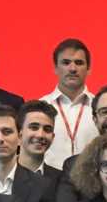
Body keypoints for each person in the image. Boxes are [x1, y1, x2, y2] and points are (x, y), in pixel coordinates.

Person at [40, 38, 97, 169]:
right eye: (66, 63)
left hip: (92, 183)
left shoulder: (100, 107)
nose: (72, 68)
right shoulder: (40, 107)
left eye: (79, 63)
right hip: (49, 184)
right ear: (55, 68)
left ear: (88, 69)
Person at [17, 100, 62, 178]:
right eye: (34, 127)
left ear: (53, 137)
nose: (40, 135)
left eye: (47, 129)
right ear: (19, 135)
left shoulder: (61, 180)